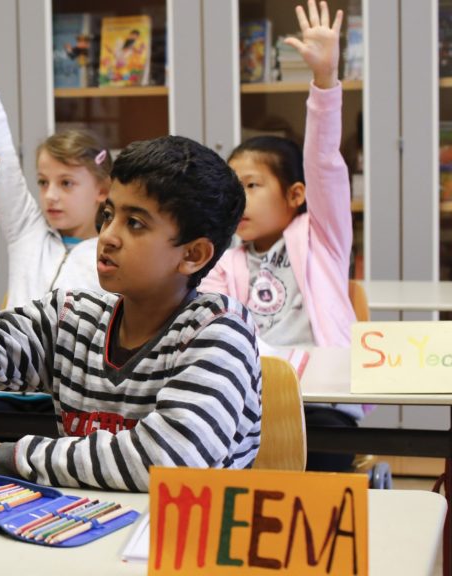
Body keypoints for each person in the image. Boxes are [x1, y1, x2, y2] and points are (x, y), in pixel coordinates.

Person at [0, 119, 259, 490]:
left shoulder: (219, 332)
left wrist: (9, 457)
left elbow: (168, 461)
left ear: (193, 254)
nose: (108, 236)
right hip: (80, 530)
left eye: (136, 224)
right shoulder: (72, 319)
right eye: (109, 215)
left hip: (172, 543)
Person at [0, 1, 110, 427]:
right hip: (10, 393)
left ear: (103, 191)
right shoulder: (28, 231)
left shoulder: (113, 251)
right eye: (44, 182)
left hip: (73, 403)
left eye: (67, 183)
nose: (50, 195)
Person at [201, 0, 357, 471]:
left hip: (323, 401)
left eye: (252, 186)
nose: (239, 199)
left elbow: (325, 163)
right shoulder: (223, 261)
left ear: (294, 195)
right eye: (234, 188)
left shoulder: (320, 237)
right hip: (252, 401)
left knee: (320, 475)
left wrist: (324, 81)